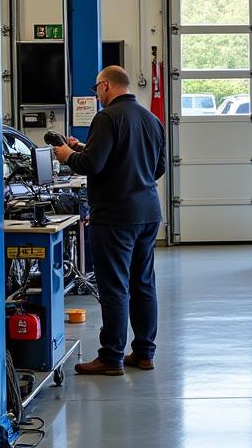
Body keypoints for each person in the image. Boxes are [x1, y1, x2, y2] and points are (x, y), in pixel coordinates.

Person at [52, 66, 166, 375]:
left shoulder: (106, 118)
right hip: (148, 213)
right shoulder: (151, 119)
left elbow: (92, 164)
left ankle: (111, 357)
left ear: (105, 86)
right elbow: (158, 167)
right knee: (143, 283)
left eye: (96, 89)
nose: (96, 95)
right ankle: (144, 353)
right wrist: (82, 148)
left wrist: (66, 155)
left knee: (114, 286)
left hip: (115, 215)